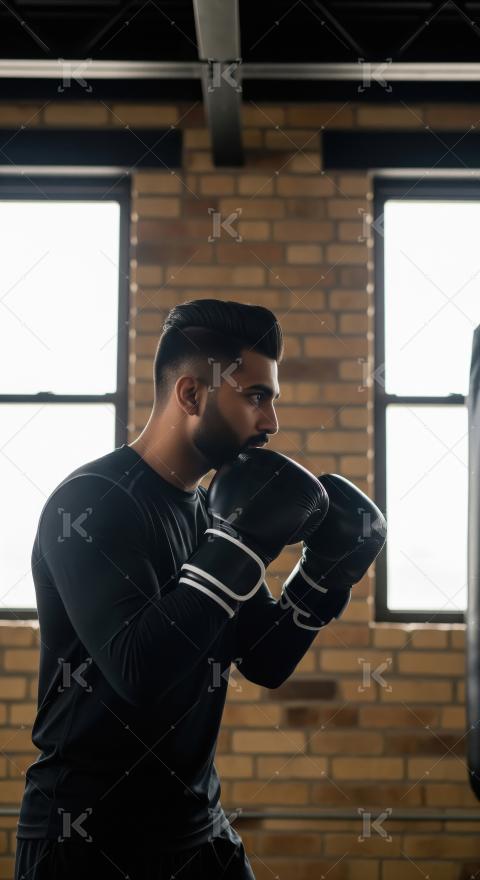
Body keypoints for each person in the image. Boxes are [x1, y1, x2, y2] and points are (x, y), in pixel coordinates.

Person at [14, 299, 386, 879]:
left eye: (272, 399)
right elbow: (140, 670)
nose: (271, 423)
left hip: (197, 827)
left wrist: (325, 574)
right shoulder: (91, 504)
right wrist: (241, 547)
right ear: (192, 395)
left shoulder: (211, 513)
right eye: (256, 397)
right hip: (89, 839)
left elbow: (264, 657)